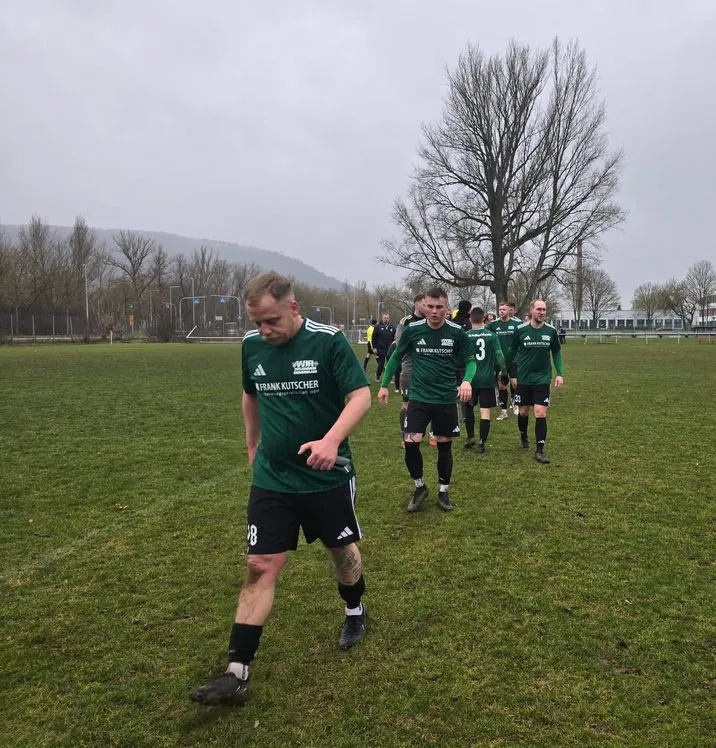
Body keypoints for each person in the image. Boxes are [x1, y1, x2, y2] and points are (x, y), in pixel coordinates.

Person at [190, 272, 372, 706]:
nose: (264, 331)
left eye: (271, 321)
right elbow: (250, 395)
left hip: (326, 476)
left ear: (293, 308)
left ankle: (355, 609)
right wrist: (252, 444)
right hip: (273, 479)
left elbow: (361, 396)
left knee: (340, 552)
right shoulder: (251, 346)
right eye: (257, 323)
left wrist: (331, 441)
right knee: (260, 563)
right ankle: (237, 671)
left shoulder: (328, 342)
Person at [377, 287, 476, 512]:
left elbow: (470, 360)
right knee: (410, 442)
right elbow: (396, 356)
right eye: (430, 306)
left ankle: (443, 491)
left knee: (443, 444)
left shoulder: (457, 333)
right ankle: (420, 487)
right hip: (419, 397)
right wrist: (383, 385)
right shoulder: (413, 330)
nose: (434, 311)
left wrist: (467, 381)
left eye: (439, 307)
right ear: (424, 306)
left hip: (445, 398)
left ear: (447, 308)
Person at [505, 299, 564, 464]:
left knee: (540, 412)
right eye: (538, 309)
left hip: (543, 378)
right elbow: (512, 351)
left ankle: (540, 450)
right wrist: (505, 371)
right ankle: (524, 436)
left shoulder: (551, 331)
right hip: (524, 378)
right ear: (531, 310)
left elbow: (556, 353)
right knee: (524, 411)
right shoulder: (520, 330)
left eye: (544, 309)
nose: (541, 312)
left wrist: (560, 374)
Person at [463, 307, 508, 453]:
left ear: (470, 319)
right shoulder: (492, 336)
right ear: (484, 319)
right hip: (487, 379)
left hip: (470, 379)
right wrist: (504, 373)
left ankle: (470, 437)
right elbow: (499, 355)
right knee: (485, 411)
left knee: (468, 408)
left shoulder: (465, 336)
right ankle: (482, 442)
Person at [393, 294, 426, 440]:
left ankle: (428, 433)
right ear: (416, 304)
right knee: (407, 403)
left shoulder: (430, 320)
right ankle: (404, 435)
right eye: (424, 304)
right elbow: (400, 345)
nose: (428, 307)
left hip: (426, 369)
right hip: (409, 369)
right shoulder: (405, 321)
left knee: (428, 402)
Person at [487, 300, 522, 420]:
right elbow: (487, 337)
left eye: (504, 309)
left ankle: (515, 401)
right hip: (499, 360)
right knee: (502, 385)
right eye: (500, 309)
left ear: (509, 311)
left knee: (514, 382)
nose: (501, 311)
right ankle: (503, 411)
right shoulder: (493, 325)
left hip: (514, 359)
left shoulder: (517, 324)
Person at [372, 313, 396, 382]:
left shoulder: (392, 327)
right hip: (380, 349)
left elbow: (394, 338)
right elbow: (373, 338)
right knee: (381, 364)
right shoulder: (377, 327)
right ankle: (378, 376)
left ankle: (390, 377)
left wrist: (394, 347)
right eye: (385, 318)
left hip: (390, 349)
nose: (386, 319)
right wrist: (374, 347)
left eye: (387, 318)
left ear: (389, 318)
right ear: (382, 318)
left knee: (390, 364)